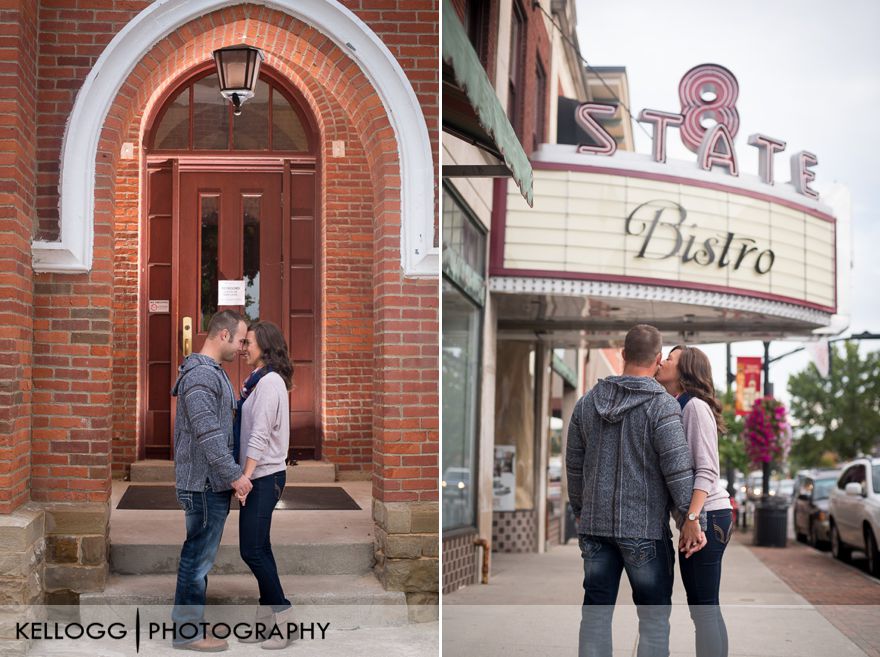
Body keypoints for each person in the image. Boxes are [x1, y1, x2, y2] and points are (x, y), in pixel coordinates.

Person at [566, 324, 706, 657]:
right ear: (659, 360)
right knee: (654, 622)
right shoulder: (663, 406)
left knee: (595, 617)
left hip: (596, 530)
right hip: (644, 531)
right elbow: (677, 469)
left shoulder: (586, 404)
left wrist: (580, 512)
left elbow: (573, 466)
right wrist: (689, 517)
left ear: (624, 354)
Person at [170, 310, 253, 652]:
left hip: (209, 484)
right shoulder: (201, 378)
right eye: (240, 339)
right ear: (223, 336)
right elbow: (208, 433)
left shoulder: (210, 373)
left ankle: (189, 628)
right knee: (197, 559)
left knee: (199, 557)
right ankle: (187, 633)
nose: (243, 346)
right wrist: (235, 476)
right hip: (204, 485)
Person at [656, 345, 732, 657]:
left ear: (684, 371)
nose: (662, 361)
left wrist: (691, 520)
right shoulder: (679, 405)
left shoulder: (694, 408)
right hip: (705, 516)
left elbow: (707, 469)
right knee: (705, 608)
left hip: (707, 518)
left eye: (669, 359)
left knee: (703, 609)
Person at [234, 321, 296, 649]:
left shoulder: (269, 382)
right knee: (261, 547)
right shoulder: (259, 382)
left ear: (266, 349)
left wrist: (245, 475)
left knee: (251, 550)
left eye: (250, 343)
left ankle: (283, 617)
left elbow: (260, 433)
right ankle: (267, 618)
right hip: (262, 475)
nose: (244, 348)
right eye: (243, 343)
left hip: (264, 475)